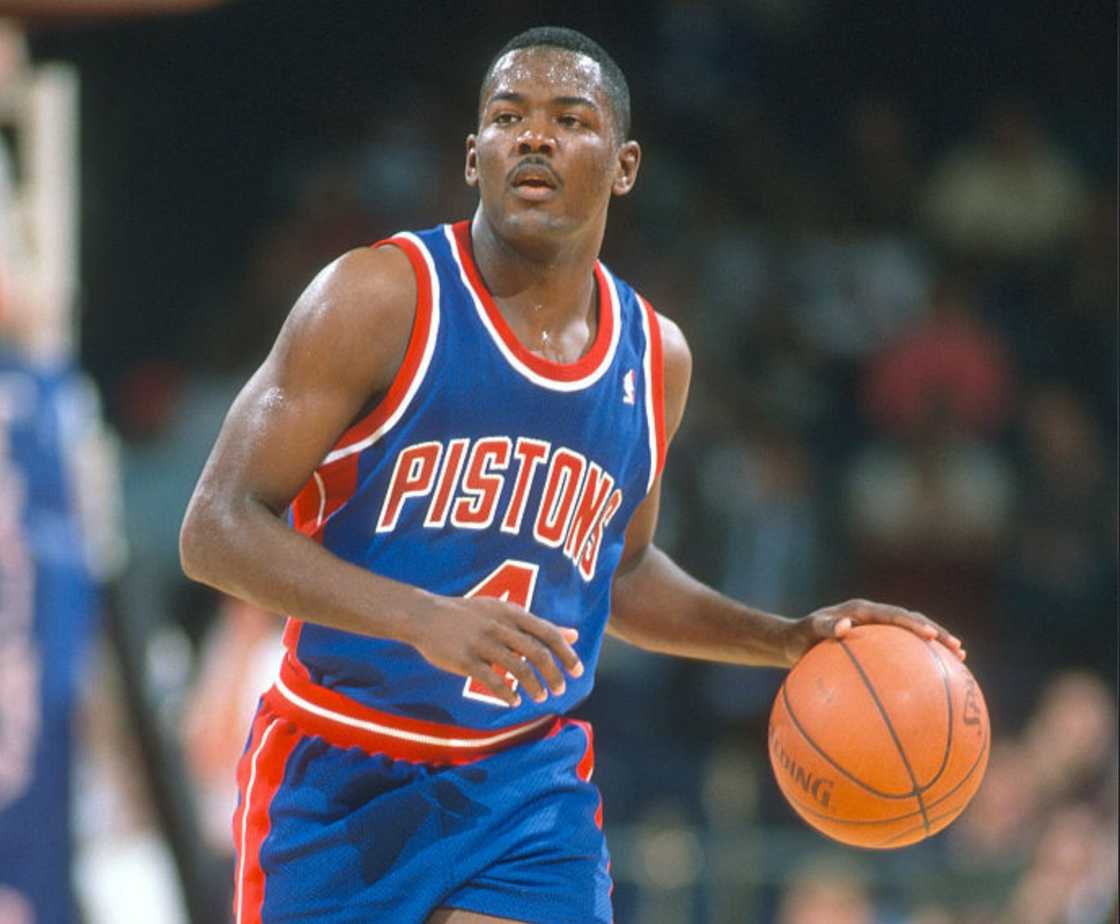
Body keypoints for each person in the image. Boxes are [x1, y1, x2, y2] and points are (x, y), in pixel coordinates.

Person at [180, 26, 965, 924]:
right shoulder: (379, 298)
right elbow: (215, 527)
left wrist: (784, 639)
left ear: (624, 166)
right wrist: (422, 619)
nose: (535, 136)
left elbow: (618, 572)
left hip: (522, 784)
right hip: (342, 769)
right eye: (508, 117)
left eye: (569, 117)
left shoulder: (654, 356)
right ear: (474, 157)